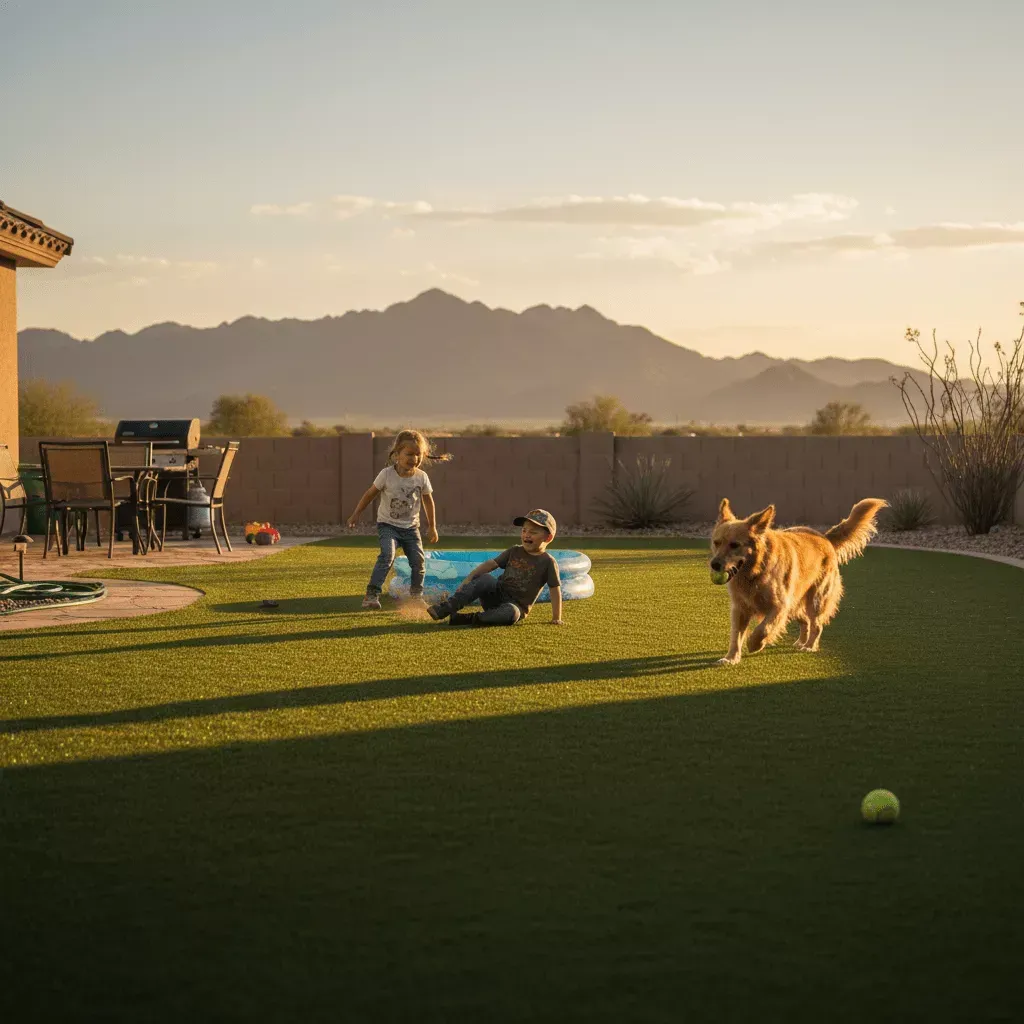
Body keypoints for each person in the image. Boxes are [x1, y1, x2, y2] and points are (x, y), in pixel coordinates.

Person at [346, 429, 448, 609]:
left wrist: (432, 526)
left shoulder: (421, 477)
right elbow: (370, 494)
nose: (414, 458)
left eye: (418, 455)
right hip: (388, 525)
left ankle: (416, 596)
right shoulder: (386, 474)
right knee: (387, 555)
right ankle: (371, 595)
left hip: (411, 528)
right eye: (409, 454)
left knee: (418, 561)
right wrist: (356, 513)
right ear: (397, 455)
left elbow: (428, 501)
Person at [427, 509, 564, 626]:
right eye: (524, 530)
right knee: (486, 578)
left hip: (515, 607)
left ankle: (465, 618)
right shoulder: (515, 551)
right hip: (496, 595)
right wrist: (469, 578)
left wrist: (556, 617)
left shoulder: (548, 562)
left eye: (533, 532)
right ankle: (445, 608)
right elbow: (491, 564)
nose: (526, 535)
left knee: (512, 613)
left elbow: (555, 589)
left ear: (548, 538)